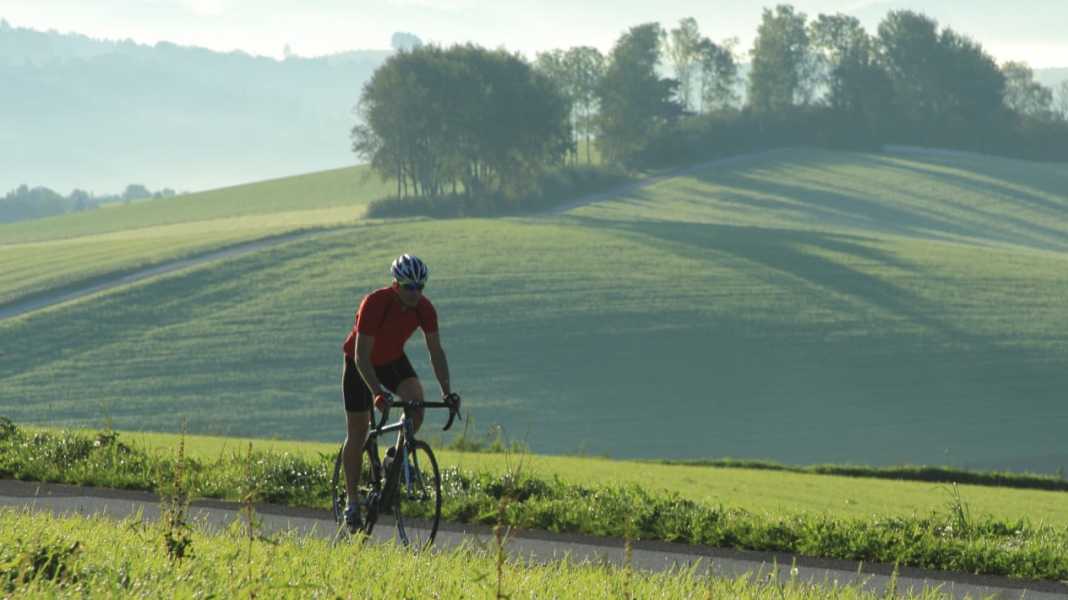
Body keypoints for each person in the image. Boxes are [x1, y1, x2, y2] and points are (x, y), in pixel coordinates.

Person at [339, 253, 457, 532]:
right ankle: (352, 502)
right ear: (396, 285)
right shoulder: (375, 303)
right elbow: (361, 356)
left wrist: (447, 392)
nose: (415, 293)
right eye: (409, 287)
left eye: (420, 288)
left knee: (416, 403)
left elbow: (436, 353)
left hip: (392, 359)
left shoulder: (424, 309)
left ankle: (396, 456)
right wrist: (377, 393)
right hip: (360, 364)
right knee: (358, 432)